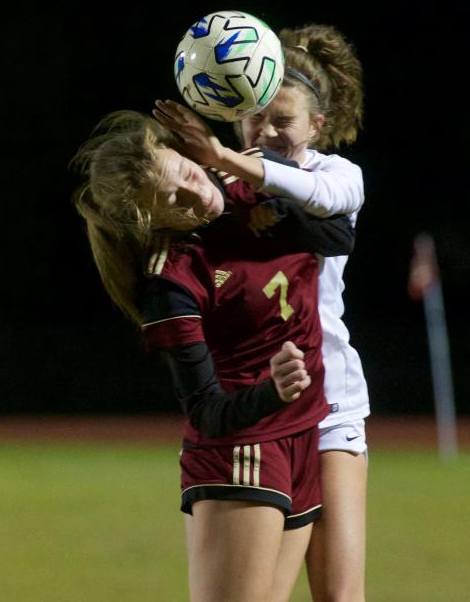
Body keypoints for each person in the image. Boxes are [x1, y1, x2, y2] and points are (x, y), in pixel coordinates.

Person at [70, 109, 355, 602]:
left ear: (185, 153)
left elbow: (339, 236)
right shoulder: (172, 281)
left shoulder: (247, 176)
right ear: (151, 221)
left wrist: (279, 207)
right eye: (172, 202)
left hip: (302, 433)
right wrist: (273, 390)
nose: (193, 195)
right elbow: (205, 411)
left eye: (185, 174)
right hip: (242, 451)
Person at [153, 23, 369, 601]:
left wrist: (224, 156)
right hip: (264, 403)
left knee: (341, 595)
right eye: (256, 117)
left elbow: (325, 213)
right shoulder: (222, 184)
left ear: (316, 126)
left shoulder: (336, 175)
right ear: (236, 112)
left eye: (283, 120)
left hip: (335, 402)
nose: (267, 131)